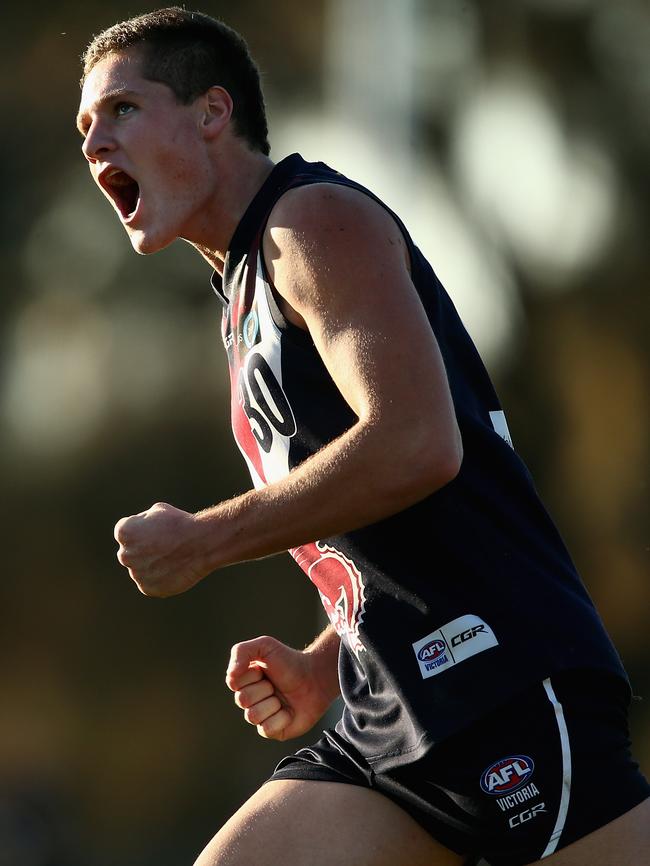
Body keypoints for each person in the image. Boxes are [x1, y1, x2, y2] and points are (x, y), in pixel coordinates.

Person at [77, 7, 650, 865]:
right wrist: (324, 659)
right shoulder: (242, 298)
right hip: (388, 713)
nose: (94, 145)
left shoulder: (308, 222)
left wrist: (204, 541)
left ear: (212, 113)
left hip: (500, 685)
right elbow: (376, 512)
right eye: (85, 127)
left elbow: (419, 444)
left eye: (122, 109)